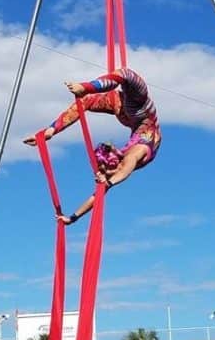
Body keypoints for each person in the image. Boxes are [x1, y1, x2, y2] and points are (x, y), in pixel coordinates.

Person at [23, 68, 161, 224]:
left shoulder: (124, 163)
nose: (104, 173)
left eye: (104, 170)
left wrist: (73, 217)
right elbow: (125, 167)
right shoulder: (132, 155)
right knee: (120, 80)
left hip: (135, 117)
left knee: (112, 85)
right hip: (142, 116)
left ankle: (86, 89)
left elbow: (98, 194)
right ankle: (82, 94)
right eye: (105, 170)